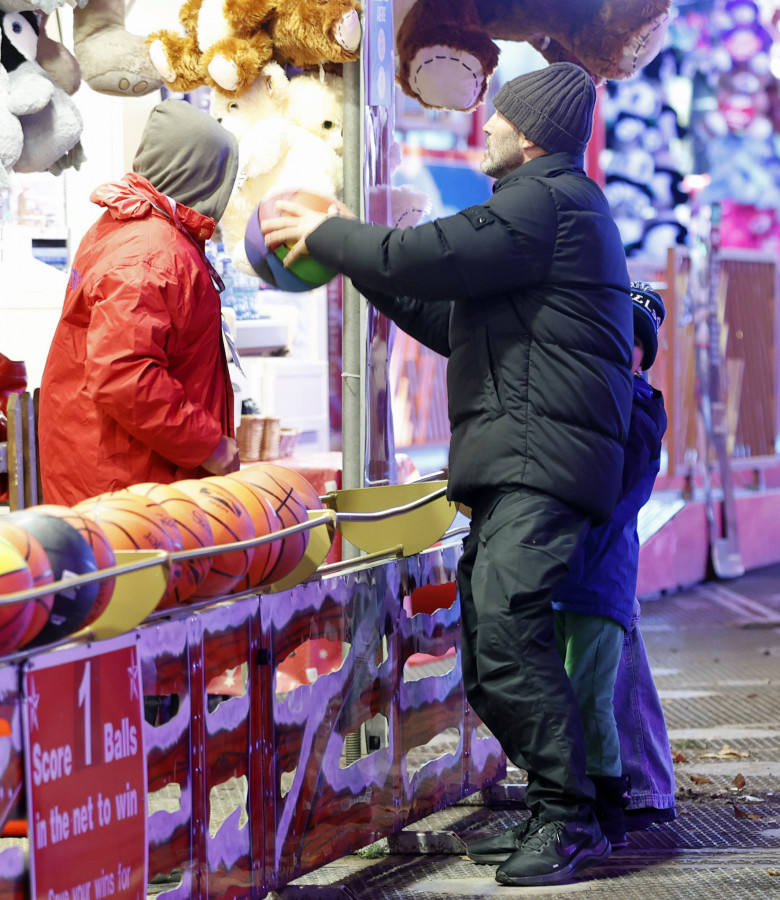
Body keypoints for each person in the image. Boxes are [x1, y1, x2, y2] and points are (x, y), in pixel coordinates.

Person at [261, 62, 634, 887]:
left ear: (529, 132)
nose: (486, 127)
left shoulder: (546, 201)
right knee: (488, 644)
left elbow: (426, 254)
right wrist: (364, 264)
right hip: (523, 458)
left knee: (504, 635)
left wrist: (332, 231)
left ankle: (569, 819)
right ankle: (559, 807)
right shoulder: (551, 212)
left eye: (498, 117)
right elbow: (444, 311)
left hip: (541, 461)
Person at [38, 99, 241, 506]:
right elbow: (124, 375)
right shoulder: (152, 252)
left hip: (112, 473)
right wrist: (209, 446)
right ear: (200, 175)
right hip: (129, 487)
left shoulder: (124, 225)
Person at [552, 282, 673, 847]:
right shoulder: (593, 398)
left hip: (599, 579)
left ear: (643, 355)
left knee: (590, 694)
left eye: (632, 340)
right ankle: (580, 800)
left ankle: (608, 807)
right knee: (566, 692)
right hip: (564, 574)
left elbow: (611, 496)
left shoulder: (638, 412)